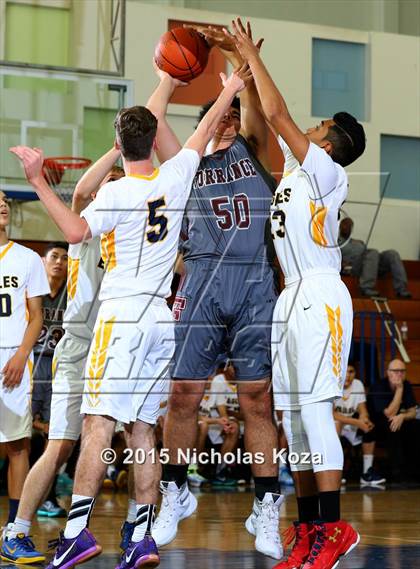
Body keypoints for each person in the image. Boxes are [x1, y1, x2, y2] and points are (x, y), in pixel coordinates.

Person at [10, 66, 248, 569]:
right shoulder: (179, 174)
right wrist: (229, 88)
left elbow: (75, 231)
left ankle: (76, 533)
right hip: (163, 318)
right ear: (151, 141)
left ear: (119, 143)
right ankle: (141, 538)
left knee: (97, 424)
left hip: (119, 318)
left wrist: (37, 180)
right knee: (142, 430)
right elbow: (203, 132)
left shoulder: (114, 194)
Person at [227, 17, 366, 569]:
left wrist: (254, 58)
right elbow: (264, 126)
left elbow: (280, 117)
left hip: (321, 297)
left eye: (320, 123)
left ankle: (335, 528)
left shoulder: (328, 172)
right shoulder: (293, 172)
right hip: (290, 298)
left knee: (315, 414)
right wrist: (244, 73)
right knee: (294, 421)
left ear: (330, 139)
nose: (309, 126)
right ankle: (309, 532)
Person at [149, 25, 283, 560]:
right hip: (200, 280)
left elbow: (258, 111)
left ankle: (266, 505)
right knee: (183, 395)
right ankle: (174, 491)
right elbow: (151, 124)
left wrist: (237, 60)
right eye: (218, 111)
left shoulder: (252, 147)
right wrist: (167, 75)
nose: (226, 117)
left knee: (257, 399)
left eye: (229, 110)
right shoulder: (186, 162)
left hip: (254, 281)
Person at [1, 154, 124, 564]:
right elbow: (84, 191)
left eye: (118, 183)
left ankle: (94, 530)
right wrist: (119, 147)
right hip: (78, 347)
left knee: (107, 439)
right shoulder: (85, 228)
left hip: (117, 349)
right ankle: (16, 530)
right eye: (109, 182)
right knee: (58, 446)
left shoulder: (134, 236)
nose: (110, 188)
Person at [0, 190, 50, 556]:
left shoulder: (27, 258)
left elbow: (37, 316)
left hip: (12, 362)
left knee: (18, 446)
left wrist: (20, 355)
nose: (2, 204)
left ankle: (14, 533)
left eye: (4, 200)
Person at [32, 241, 68, 518]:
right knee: (21, 433)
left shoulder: (73, 293)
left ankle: (49, 495)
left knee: (53, 434)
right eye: (54, 256)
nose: (59, 261)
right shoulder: (32, 291)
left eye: (65, 258)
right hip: (29, 363)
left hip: (58, 366)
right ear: (43, 261)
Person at [334, 363, 385, 486]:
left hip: (351, 426)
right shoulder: (332, 384)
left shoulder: (358, 384)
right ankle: (335, 473)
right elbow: (333, 414)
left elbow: (362, 409)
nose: (347, 375)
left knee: (369, 428)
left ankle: (367, 473)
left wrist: (364, 419)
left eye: (351, 372)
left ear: (355, 373)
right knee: (337, 423)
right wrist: (358, 422)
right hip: (335, 426)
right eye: (345, 371)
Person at [368, 359, 417, 481]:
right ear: (388, 372)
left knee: (416, 425)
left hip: (399, 420)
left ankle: (414, 471)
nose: (399, 374)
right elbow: (390, 413)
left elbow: (413, 411)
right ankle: (397, 472)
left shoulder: (407, 385)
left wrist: (402, 416)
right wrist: (399, 389)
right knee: (393, 426)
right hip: (376, 425)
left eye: (402, 371)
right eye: (396, 371)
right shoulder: (379, 386)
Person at [339, 217, 411, 298]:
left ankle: (401, 289)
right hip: (353, 268)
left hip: (370, 267)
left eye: (349, 225)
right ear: (340, 226)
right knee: (373, 252)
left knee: (392, 254)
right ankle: (366, 287)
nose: (346, 227)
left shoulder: (358, 242)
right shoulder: (335, 243)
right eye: (345, 224)